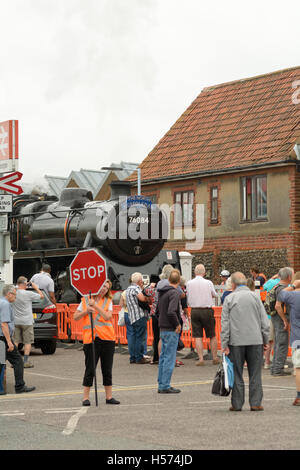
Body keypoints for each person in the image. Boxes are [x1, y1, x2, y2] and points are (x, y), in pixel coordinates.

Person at [221, 272, 270, 411]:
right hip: (255, 340)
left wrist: (224, 344)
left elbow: (225, 324)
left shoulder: (229, 299)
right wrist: (265, 339)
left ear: (234, 284)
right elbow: (264, 322)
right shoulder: (256, 297)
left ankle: (237, 404)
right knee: (255, 373)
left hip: (236, 341)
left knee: (237, 373)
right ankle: (255, 403)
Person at [74, 280, 120, 406]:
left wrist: (95, 306)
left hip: (107, 339)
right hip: (91, 339)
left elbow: (107, 317)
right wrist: (86, 310)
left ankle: (109, 396)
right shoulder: (85, 300)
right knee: (90, 369)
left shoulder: (108, 301)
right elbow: (75, 317)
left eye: (107, 287)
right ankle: (85, 397)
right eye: (103, 286)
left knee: (107, 369)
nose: (104, 289)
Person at [0, 284, 36, 394]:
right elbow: (4, 324)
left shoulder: (1, 302)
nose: (15, 298)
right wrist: (9, 342)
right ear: (9, 294)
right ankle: (20, 386)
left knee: (3, 362)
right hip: (3, 338)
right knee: (18, 361)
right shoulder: (5, 304)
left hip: (2, 338)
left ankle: (3, 389)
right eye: (15, 295)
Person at [186, 264, 219, 365]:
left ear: (195, 273)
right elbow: (215, 294)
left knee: (198, 336)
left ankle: (201, 359)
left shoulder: (189, 283)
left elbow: (187, 295)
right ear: (204, 273)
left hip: (194, 310)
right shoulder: (208, 283)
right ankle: (214, 357)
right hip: (206, 310)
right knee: (212, 335)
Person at [157, 269, 182, 393]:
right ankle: (165, 385)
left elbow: (158, 310)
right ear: (178, 280)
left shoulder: (162, 292)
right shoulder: (175, 293)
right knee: (169, 358)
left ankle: (162, 383)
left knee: (163, 357)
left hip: (162, 327)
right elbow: (171, 311)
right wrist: (177, 324)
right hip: (171, 328)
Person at [12, 276, 44, 368]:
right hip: (27, 322)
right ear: (24, 284)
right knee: (27, 341)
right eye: (27, 284)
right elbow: (41, 296)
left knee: (15, 341)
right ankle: (25, 361)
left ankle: (15, 361)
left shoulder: (14, 293)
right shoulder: (28, 294)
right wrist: (35, 287)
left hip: (16, 321)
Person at [277, 279, 300, 406]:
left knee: (299, 367)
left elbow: (280, 294)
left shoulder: (294, 296)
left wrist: (292, 285)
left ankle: (299, 396)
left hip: (298, 337)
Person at [272, 267, 294, 376]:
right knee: (282, 343)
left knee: (278, 342)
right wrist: (285, 320)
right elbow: (278, 306)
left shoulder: (276, 287)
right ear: (289, 277)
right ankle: (278, 369)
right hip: (281, 319)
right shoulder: (284, 289)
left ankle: (275, 367)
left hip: (275, 318)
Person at [126, 273, 151, 364]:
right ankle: (139, 357)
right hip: (139, 316)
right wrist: (149, 299)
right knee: (140, 338)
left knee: (134, 337)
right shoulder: (136, 288)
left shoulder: (128, 289)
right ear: (139, 281)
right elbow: (142, 299)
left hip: (132, 316)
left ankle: (133, 357)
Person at [144, 275, 160, 364]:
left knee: (156, 337)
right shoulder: (164, 289)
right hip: (164, 315)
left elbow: (144, 291)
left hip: (154, 315)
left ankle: (156, 357)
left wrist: (150, 285)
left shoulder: (153, 290)